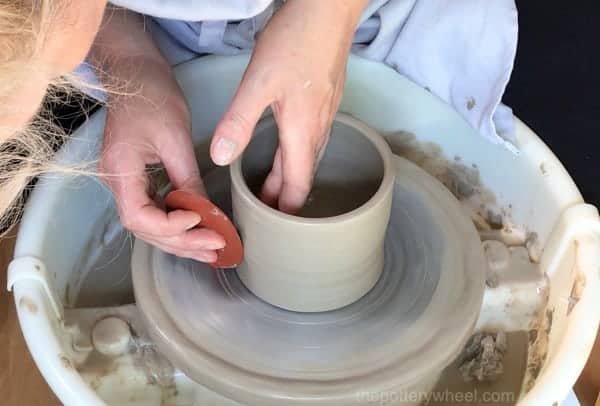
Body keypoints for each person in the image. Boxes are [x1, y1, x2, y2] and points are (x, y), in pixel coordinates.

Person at [0, 0, 517, 263]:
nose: (51, 68)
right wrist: (127, 61)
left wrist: (329, 15)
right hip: (167, 30)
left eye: (46, 66)